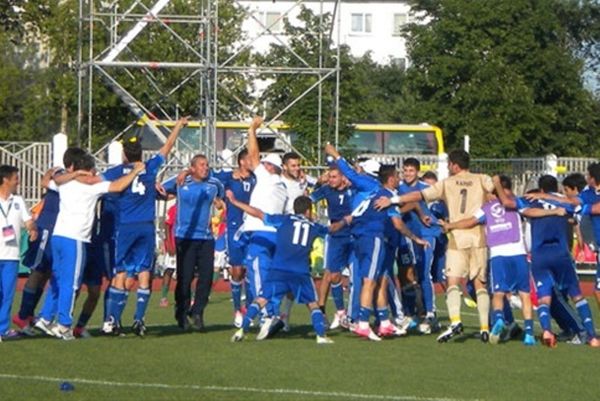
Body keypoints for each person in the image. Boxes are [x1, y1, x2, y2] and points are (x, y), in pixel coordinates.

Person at [376, 150, 494, 343]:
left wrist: (393, 200)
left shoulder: (447, 183)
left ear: (455, 165)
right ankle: (484, 328)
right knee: (479, 283)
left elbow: (419, 195)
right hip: (478, 236)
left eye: (449, 164)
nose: (448, 167)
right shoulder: (482, 178)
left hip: (456, 237)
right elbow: (495, 192)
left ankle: (455, 322)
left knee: (453, 281)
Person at [35, 154, 144, 340]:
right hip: (74, 239)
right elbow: (117, 186)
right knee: (71, 283)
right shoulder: (91, 187)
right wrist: (134, 172)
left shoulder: (66, 184)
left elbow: (46, 182)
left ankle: (45, 317)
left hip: (58, 237)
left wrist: (61, 173)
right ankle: (64, 324)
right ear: (88, 170)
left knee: (59, 279)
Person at [324, 144, 427, 341]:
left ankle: (384, 321)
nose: (399, 179)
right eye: (397, 176)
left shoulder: (367, 188)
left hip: (359, 237)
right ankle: (362, 323)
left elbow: (349, 173)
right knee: (370, 281)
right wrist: (415, 238)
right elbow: (397, 223)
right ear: (388, 178)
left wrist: (335, 155)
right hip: (373, 238)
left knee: (381, 279)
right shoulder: (381, 192)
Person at [102, 116, 187, 336]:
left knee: (120, 271)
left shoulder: (114, 173)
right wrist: (177, 126)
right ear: (140, 153)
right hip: (146, 226)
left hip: (126, 226)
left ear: (124, 154)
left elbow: (97, 183)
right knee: (144, 272)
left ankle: (113, 320)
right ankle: (139, 320)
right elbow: (167, 147)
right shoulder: (149, 168)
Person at [440, 175, 550, 346]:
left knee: (498, 294)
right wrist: (552, 211)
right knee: (525, 295)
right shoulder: (516, 203)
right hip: (518, 253)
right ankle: (528, 334)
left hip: (498, 255)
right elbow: (531, 212)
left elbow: (470, 221)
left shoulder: (488, 208)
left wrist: (450, 225)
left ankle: (498, 319)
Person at [229, 194, 347, 344]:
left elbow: (258, 213)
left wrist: (235, 202)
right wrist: (345, 220)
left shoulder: (284, 220)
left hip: (279, 269)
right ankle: (321, 336)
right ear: (308, 211)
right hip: (301, 272)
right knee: (312, 303)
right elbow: (332, 228)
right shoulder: (314, 226)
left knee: (262, 299)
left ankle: (242, 330)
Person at [518, 174, 600, 347]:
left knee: (544, 297)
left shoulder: (531, 200)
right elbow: (580, 212)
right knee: (577, 296)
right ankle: (592, 337)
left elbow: (515, 206)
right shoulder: (566, 202)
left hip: (540, 254)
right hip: (561, 253)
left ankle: (547, 331)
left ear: (541, 189)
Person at [13, 148, 87, 335]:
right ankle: (23, 315)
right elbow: (45, 182)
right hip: (47, 228)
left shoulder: (69, 178)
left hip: (60, 232)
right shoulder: (63, 176)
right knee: (38, 271)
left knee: (49, 274)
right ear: (72, 165)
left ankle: (33, 316)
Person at [162, 154, 225, 330]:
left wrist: (219, 202)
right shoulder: (182, 181)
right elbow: (162, 188)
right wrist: (184, 171)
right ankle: (181, 312)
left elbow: (220, 196)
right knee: (185, 277)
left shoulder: (214, 183)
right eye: (202, 165)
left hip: (205, 237)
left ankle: (197, 312)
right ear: (193, 167)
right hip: (185, 237)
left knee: (205, 278)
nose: (206, 168)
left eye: (207, 165)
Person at [241, 116, 288, 328]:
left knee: (258, 273)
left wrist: (252, 130)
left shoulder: (267, 178)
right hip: (276, 234)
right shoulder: (283, 186)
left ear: (270, 167)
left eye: (265, 163)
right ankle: (274, 312)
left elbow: (252, 156)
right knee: (272, 276)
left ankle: (267, 316)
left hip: (260, 232)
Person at [212, 149, 256, 327]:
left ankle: (249, 310)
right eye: (250, 160)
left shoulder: (256, 178)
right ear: (241, 162)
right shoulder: (228, 177)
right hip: (234, 228)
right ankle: (237, 309)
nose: (253, 163)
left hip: (252, 228)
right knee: (237, 270)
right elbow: (212, 182)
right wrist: (218, 199)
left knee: (251, 270)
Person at [310, 166, 354, 329]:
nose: (331, 180)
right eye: (330, 177)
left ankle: (357, 314)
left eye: (334, 177)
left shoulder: (353, 189)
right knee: (334, 275)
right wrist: (316, 184)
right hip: (336, 235)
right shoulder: (327, 190)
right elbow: (309, 199)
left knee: (356, 276)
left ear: (343, 178)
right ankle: (341, 312)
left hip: (354, 235)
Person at [0, 165, 37, 340]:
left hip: (11, 256)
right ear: (5, 180)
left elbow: (28, 220)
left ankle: (3, 329)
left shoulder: (18, 201)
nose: (18, 181)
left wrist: (32, 229)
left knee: (8, 294)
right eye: (16, 178)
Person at [159, 203, 177, 308]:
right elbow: (167, 225)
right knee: (169, 270)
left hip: (186, 245)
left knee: (188, 272)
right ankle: (164, 297)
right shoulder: (173, 209)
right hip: (174, 245)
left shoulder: (190, 208)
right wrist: (169, 244)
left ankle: (190, 298)